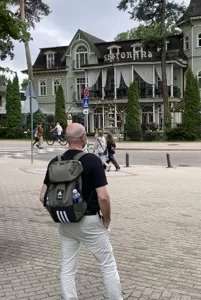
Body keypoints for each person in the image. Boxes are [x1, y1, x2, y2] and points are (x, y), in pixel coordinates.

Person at [39, 123, 123, 300]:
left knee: (67, 267)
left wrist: (59, 212)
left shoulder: (55, 161)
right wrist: (106, 219)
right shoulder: (91, 160)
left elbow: (42, 196)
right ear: (83, 138)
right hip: (90, 221)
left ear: (67, 139)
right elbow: (103, 197)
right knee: (107, 265)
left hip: (65, 223)